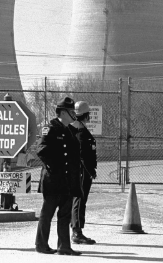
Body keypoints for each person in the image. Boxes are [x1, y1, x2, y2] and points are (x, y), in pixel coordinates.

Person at [34, 97, 83, 256]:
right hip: (53, 180)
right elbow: (42, 150)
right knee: (47, 213)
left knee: (65, 214)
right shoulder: (51, 128)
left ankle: (64, 246)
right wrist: (55, 168)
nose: (73, 115)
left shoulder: (69, 130)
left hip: (67, 181)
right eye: (71, 112)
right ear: (63, 112)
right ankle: (41, 244)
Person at [70, 101, 97, 245]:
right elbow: (82, 155)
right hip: (81, 171)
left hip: (79, 170)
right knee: (79, 200)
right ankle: (77, 232)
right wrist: (90, 170)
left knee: (77, 200)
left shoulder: (75, 128)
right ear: (86, 115)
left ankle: (76, 229)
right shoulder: (80, 131)